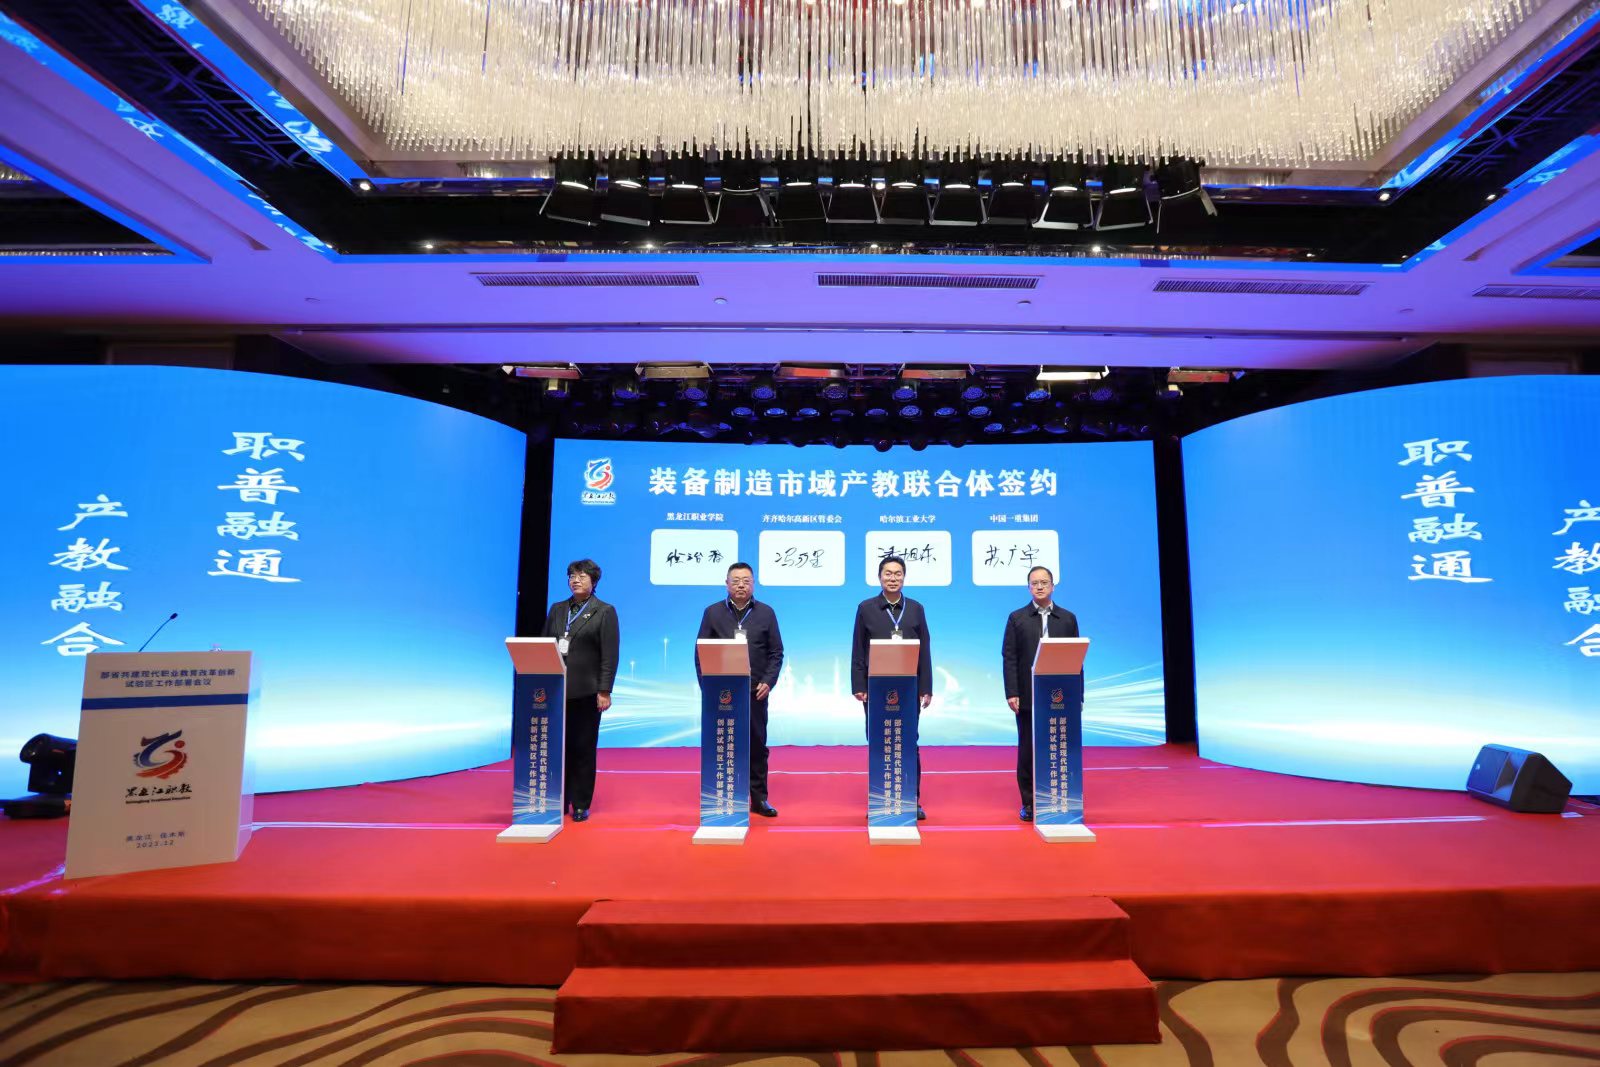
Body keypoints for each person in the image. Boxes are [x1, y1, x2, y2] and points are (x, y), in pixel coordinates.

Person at [696, 561, 785, 817]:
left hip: (755, 691)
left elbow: (776, 653)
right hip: (721, 693)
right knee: (722, 743)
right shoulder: (712, 613)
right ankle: (724, 797)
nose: (741, 585)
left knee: (756, 745)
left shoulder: (766, 613)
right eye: (735, 581)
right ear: (726, 584)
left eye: (746, 581)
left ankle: (759, 799)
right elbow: (701, 653)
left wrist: (768, 681)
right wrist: (707, 688)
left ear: (753, 584)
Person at [851, 555, 933, 820]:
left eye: (898, 574)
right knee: (879, 743)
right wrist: (858, 684)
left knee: (909, 742)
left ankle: (912, 800)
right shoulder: (866, 608)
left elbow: (925, 650)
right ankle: (879, 800)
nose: (893, 578)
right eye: (888, 573)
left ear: (904, 578)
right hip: (875, 689)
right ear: (879, 577)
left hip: (908, 688)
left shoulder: (916, 609)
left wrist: (926, 687)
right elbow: (858, 649)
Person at [1001, 565, 1080, 822]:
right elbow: (1009, 657)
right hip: (1027, 695)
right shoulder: (1017, 618)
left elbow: (1077, 659)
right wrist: (1012, 692)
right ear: (1028, 588)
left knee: (1059, 746)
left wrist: (1078, 695)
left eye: (1044, 582)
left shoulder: (1067, 618)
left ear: (1053, 586)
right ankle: (1030, 802)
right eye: (1034, 583)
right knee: (1028, 748)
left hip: (1061, 695)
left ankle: (1060, 798)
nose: (1039, 586)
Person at [543, 558, 619, 822]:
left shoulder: (604, 611)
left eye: (582, 576)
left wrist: (604, 690)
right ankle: (558, 799)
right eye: (572, 576)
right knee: (557, 747)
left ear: (594, 581)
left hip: (587, 691)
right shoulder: (557, 609)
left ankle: (580, 802)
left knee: (583, 748)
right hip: (556, 690)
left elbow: (610, 654)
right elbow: (545, 645)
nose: (575, 580)